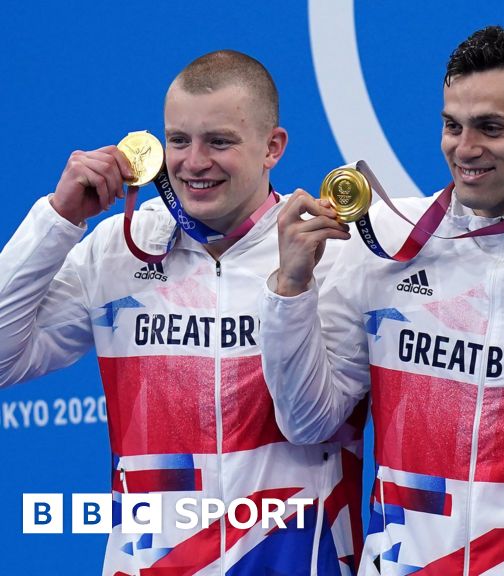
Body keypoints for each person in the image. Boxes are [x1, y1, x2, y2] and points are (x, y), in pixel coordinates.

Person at [259, 26, 504, 575]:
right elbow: (307, 422)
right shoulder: (383, 242)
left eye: (490, 128)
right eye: (453, 126)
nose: (465, 148)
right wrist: (291, 291)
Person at [0, 50, 363, 576]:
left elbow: (312, 423)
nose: (193, 162)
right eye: (178, 141)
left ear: (272, 148)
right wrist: (57, 221)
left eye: (219, 141)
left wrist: (292, 287)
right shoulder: (119, 249)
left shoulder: (332, 257)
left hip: (293, 561)